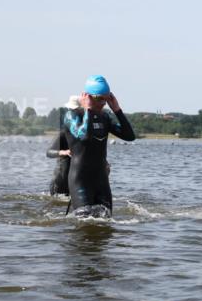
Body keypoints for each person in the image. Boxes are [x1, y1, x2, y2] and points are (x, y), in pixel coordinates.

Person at [62, 76, 136, 216]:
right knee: (85, 223)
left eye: (106, 98)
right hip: (81, 180)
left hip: (101, 180)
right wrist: (88, 110)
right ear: (88, 97)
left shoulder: (105, 117)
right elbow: (84, 136)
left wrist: (117, 110)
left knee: (106, 221)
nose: (103, 103)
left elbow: (129, 136)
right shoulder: (72, 115)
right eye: (100, 98)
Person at [46, 95, 79, 196]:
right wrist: (63, 152)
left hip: (76, 181)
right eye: (73, 110)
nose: (75, 114)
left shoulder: (85, 133)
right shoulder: (63, 132)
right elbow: (48, 152)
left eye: (77, 111)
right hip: (60, 181)